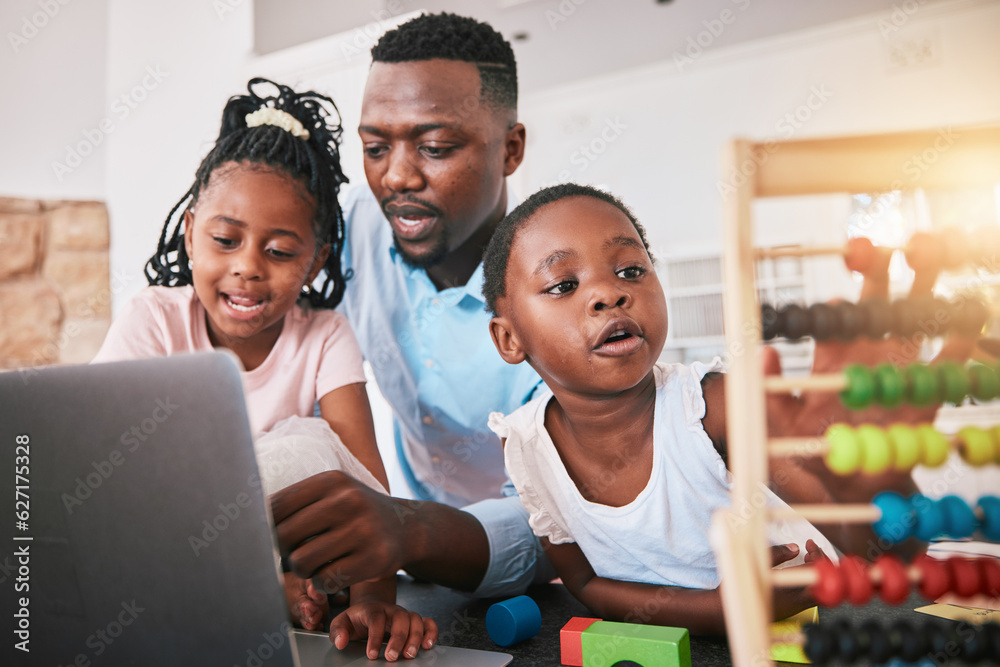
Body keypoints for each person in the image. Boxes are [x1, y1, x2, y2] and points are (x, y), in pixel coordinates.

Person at [478, 183, 977, 634]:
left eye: (630, 270)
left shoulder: (713, 407)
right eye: (564, 285)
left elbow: (869, 551)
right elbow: (584, 582)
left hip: (827, 629)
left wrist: (875, 488)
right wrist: (719, 611)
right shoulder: (525, 444)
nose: (610, 293)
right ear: (509, 337)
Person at [92, 78, 436, 662]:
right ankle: (255, 589)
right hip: (168, 548)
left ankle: (275, 588)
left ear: (316, 259)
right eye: (225, 240)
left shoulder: (325, 335)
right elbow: (101, 465)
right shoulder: (153, 319)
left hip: (292, 548)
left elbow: (365, 486)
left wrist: (376, 595)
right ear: (191, 232)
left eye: (279, 251)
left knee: (308, 443)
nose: (248, 268)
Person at [272, 12, 552, 609]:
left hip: (542, 565)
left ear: (511, 149)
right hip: (404, 549)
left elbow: (558, 516)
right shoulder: (355, 232)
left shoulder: (561, 293)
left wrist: (408, 530)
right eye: (375, 147)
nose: (395, 176)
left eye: (435, 147)